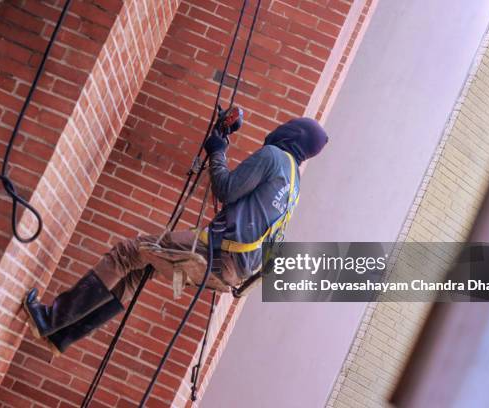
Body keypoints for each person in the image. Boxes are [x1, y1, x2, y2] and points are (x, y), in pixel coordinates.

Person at [24, 117, 328, 353]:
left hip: (216, 255)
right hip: (232, 273)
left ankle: (50, 320)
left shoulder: (273, 156)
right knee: (136, 268)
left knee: (127, 252)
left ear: (294, 134)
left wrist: (218, 151)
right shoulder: (295, 183)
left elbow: (226, 189)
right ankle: (61, 337)